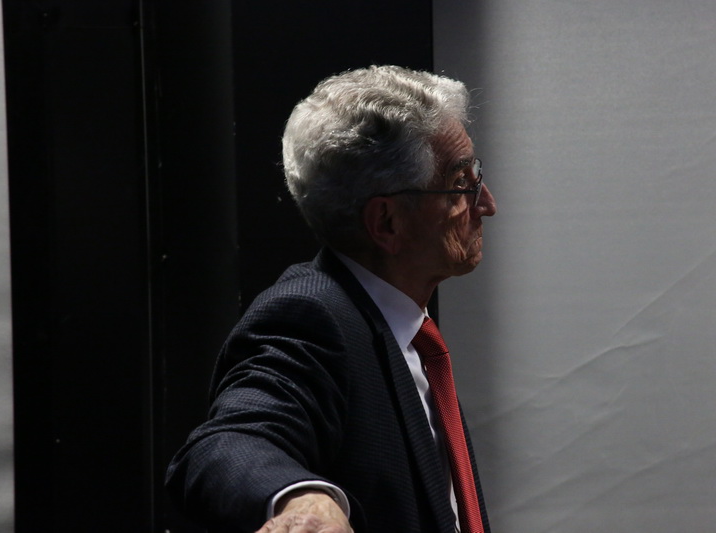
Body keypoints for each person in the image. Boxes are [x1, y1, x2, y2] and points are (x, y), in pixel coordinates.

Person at [166, 65, 497, 533]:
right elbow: (227, 444)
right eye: (462, 182)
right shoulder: (311, 318)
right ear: (387, 223)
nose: (486, 204)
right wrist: (301, 497)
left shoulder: (405, 329)